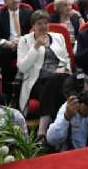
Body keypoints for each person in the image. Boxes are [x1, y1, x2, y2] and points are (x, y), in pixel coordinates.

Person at [16, 10, 71, 139]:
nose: (43, 26)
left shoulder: (58, 37)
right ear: (33, 26)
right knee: (54, 85)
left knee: (55, 80)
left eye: (46, 23)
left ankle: (42, 132)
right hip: (36, 81)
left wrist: (64, 68)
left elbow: (66, 59)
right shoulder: (24, 41)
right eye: (39, 23)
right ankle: (64, 133)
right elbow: (23, 67)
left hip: (61, 76)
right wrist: (35, 47)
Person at [0, 0, 31, 86]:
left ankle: (0, 71)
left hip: (26, 45)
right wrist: (5, 42)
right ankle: (5, 83)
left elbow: (34, 30)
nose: (15, 0)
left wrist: (23, 40)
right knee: (5, 50)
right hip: (9, 46)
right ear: (5, 1)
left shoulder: (28, 13)